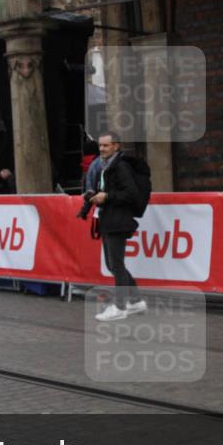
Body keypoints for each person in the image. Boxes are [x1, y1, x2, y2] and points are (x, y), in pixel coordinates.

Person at [90, 132, 146, 321]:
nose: (102, 149)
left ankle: (120, 307)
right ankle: (136, 301)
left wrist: (107, 196)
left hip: (118, 220)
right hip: (109, 219)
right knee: (112, 264)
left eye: (106, 145)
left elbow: (131, 193)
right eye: (100, 145)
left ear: (116, 146)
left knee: (116, 265)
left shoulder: (121, 166)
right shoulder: (107, 166)